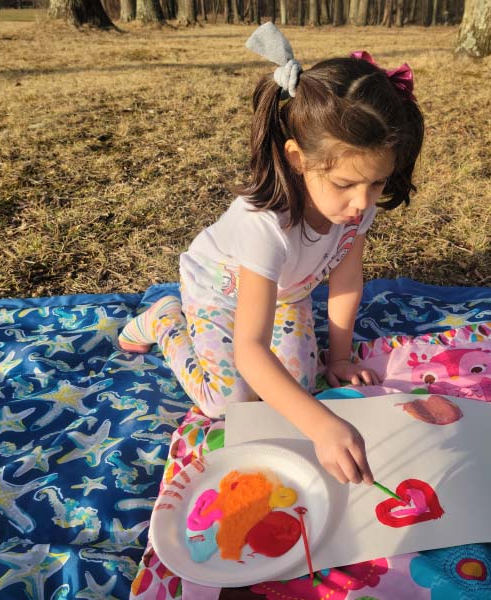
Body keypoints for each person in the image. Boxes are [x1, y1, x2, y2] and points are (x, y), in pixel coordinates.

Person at [118, 23, 424, 487]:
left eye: (377, 183)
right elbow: (249, 348)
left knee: (301, 387)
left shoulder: (354, 209)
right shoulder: (265, 226)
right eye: (345, 184)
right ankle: (165, 320)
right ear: (298, 158)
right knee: (230, 403)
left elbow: (346, 280)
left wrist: (339, 360)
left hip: (286, 294)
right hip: (221, 291)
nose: (363, 203)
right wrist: (321, 425)